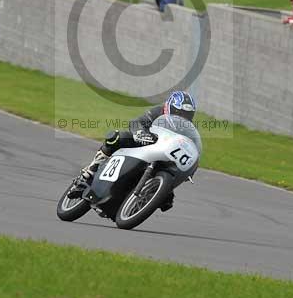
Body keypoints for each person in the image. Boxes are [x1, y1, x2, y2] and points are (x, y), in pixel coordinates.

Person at [68, 90, 198, 212]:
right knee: (116, 137)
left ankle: (146, 197)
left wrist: (190, 168)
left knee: (167, 199)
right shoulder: (158, 112)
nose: (182, 116)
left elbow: (192, 149)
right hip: (143, 143)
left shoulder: (188, 129)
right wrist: (140, 133)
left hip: (164, 155)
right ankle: (90, 171)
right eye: (178, 112)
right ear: (169, 107)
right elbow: (136, 122)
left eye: (187, 114)